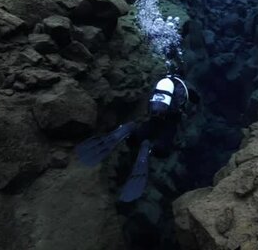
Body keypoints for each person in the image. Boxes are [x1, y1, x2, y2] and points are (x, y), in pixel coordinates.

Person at [75, 73, 199, 202]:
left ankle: (127, 129)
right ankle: (147, 150)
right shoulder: (184, 85)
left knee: (143, 132)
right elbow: (196, 99)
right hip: (170, 117)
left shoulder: (163, 81)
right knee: (163, 148)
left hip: (154, 111)